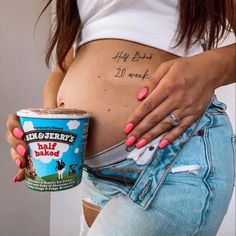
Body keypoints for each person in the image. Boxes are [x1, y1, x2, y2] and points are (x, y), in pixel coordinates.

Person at [5, 0, 235, 235]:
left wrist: (211, 68)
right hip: (95, 176)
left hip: (171, 157)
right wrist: (45, 124)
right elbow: (63, 67)